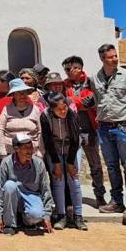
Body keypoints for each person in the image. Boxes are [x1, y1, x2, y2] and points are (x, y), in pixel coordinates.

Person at [87, 44, 126, 225]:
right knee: (112, 167)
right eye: (110, 57)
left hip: (124, 127)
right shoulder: (95, 78)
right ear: (102, 59)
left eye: (115, 56)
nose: (115, 59)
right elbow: (96, 101)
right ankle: (116, 201)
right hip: (104, 128)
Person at [63, 55, 107, 206]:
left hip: (89, 129)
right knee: (70, 163)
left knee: (95, 164)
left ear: (79, 68)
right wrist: (79, 102)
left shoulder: (91, 82)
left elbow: (97, 100)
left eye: (69, 69)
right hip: (71, 130)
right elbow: (66, 102)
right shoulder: (64, 85)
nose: (67, 72)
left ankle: (100, 195)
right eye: (66, 69)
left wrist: (74, 102)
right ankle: (71, 197)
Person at [40, 92, 86, 230]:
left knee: (74, 180)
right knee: (58, 180)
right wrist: (57, 164)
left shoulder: (72, 114)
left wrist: (70, 163)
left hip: (71, 148)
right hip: (54, 149)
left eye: (65, 107)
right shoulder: (45, 116)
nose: (63, 111)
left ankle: (78, 216)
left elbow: (75, 139)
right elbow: (48, 141)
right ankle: (61, 215)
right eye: (59, 109)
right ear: (52, 108)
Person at [0, 132, 54, 235]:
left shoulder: (39, 163)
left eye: (31, 147)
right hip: (13, 195)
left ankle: (25, 221)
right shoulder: (6, 163)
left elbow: (45, 190)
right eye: (25, 147)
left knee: (37, 215)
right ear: (16, 149)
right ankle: (10, 224)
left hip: (31, 196)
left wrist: (47, 215)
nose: (30, 150)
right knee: (9, 185)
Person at [0, 78, 42, 157]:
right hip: (11, 152)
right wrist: (2, 150)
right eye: (18, 93)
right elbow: (0, 130)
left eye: (24, 92)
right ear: (13, 95)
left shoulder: (35, 109)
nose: (22, 95)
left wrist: (41, 150)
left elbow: (40, 131)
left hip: (32, 152)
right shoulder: (6, 109)